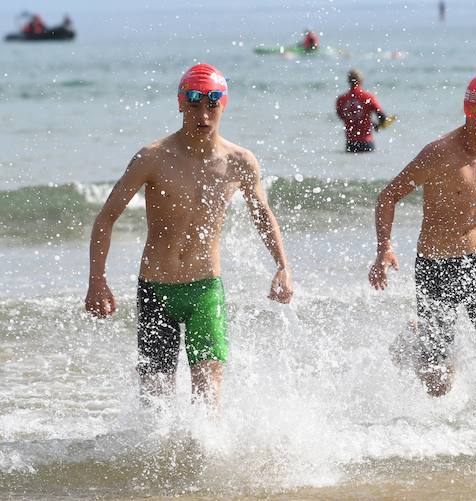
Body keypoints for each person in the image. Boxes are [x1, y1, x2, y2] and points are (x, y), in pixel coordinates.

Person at [84, 64, 294, 406]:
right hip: (156, 290)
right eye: (194, 104)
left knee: (208, 400)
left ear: (223, 105)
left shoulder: (240, 162)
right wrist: (97, 280)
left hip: (205, 290)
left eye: (211, 105)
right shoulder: (152, 158)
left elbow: (263, 216)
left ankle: (205, 460)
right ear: (181, 104)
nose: (203, 114)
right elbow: (106, 218)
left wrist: (282, 266)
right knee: (155, 404)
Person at [368, 73, 476, 402]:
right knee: (439, 383)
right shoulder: (438, 154)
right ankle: (415, 338)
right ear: (468, 114)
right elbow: (388, 196)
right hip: (435, 266)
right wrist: (384, 248)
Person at [336, 69, 388, 153]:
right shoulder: (367, 97)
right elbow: (382, 116)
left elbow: (341, 116)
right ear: (361, 80)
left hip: (350, 143)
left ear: (348, 81)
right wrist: (377, 125)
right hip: (366, 142)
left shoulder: (341, 99)